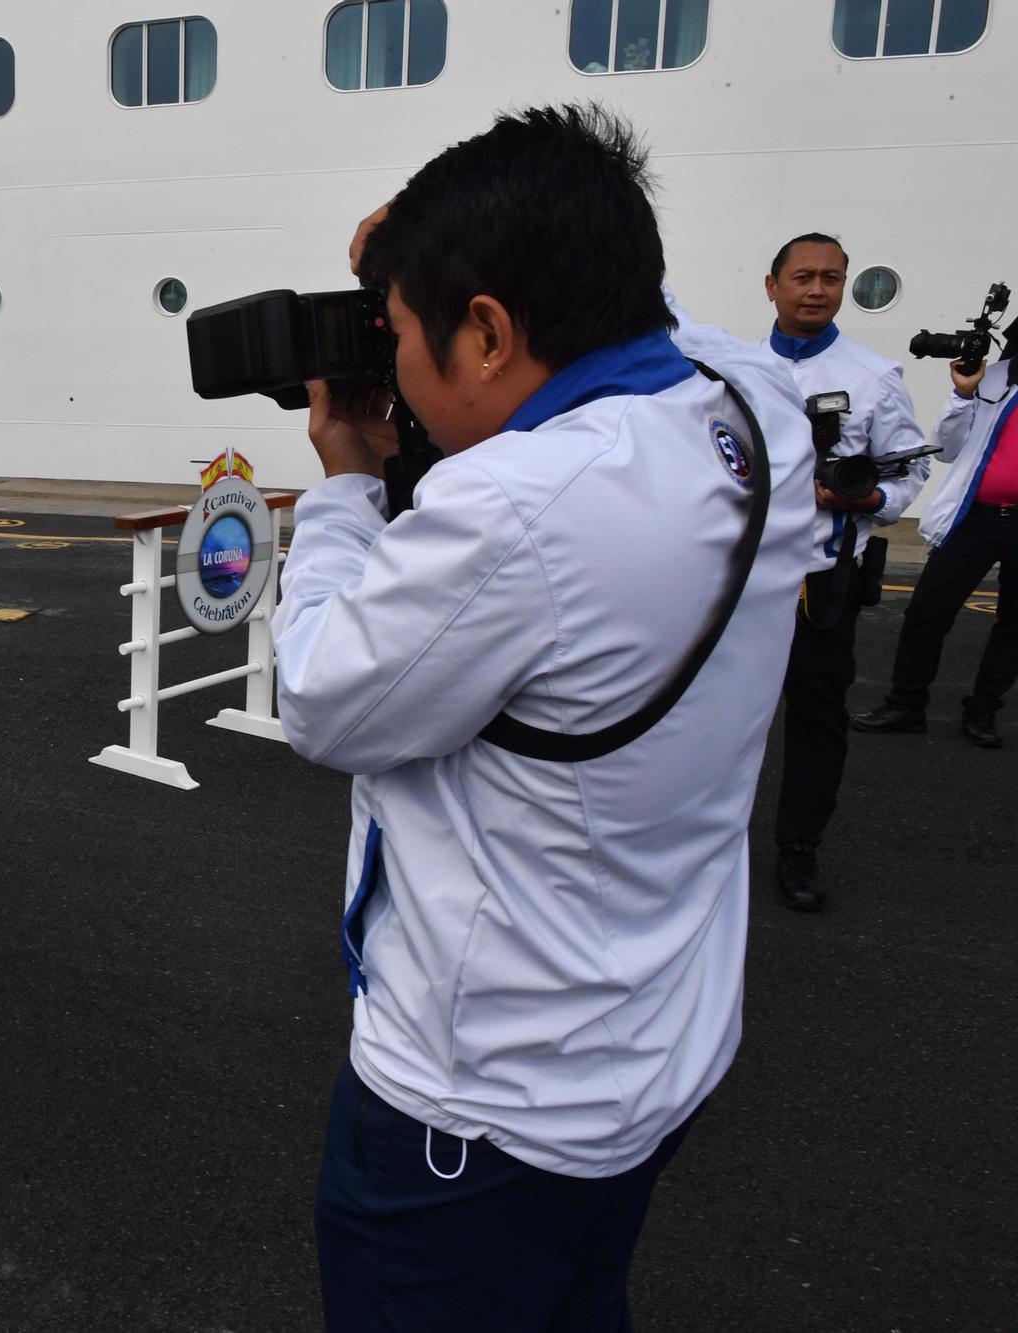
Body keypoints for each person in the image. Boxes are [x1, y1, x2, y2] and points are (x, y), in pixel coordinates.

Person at [273, 106, 813, 1331]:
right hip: (647, 1061)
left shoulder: (513, 508)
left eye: (400, 333)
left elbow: (317, 695)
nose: (390, 367)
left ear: (488, 330)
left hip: (474, 1114)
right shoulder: (748, 411)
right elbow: (655, 322)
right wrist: (441, 253)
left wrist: (351, 478)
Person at [758, 233, 929, 910]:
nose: (817, 289)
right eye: (802, 276)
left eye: (831, 278)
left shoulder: (872, 375)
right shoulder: (730, 370)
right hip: (735, 578)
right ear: (771, 286)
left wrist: (871, 499)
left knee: (816, 718)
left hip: (819, 582)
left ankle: (799, 846)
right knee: (705, 713)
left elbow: (911, 466)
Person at [853, 340, 1018, 748]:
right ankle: (907, 703)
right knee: (927, 611)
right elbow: (948, 446)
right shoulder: (993, 378)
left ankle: (983, 710)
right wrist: (963, 394)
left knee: (1014, 625)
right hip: (975, 519)